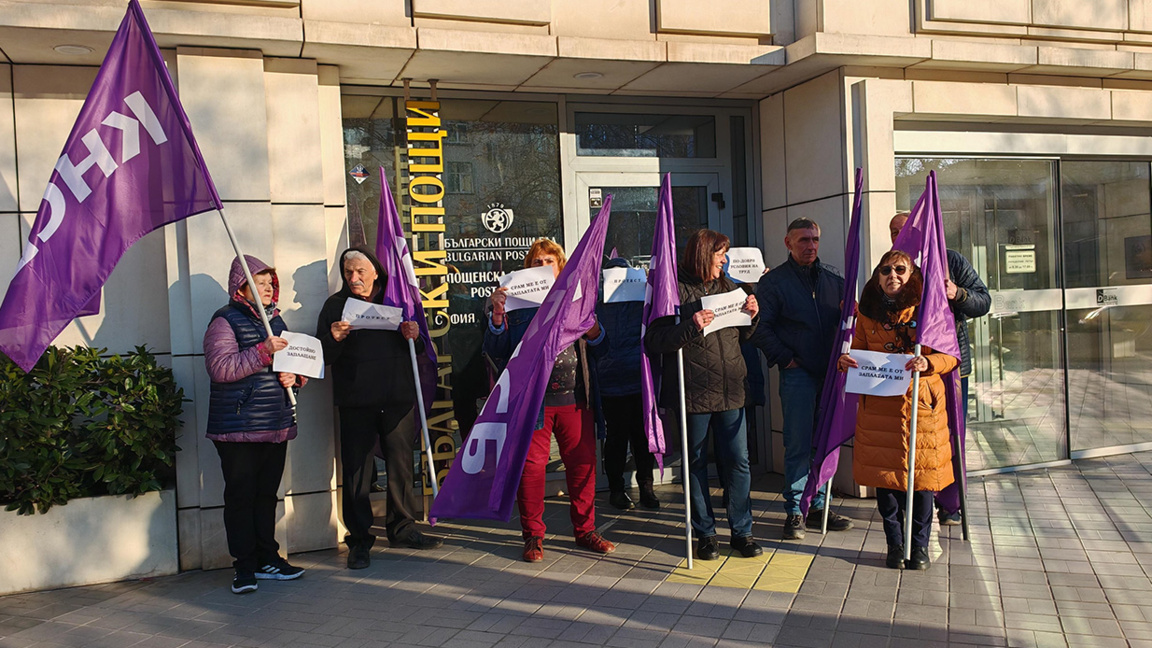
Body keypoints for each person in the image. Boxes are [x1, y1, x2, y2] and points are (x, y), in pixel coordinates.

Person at [484, 238, 616, 562]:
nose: (543, 266)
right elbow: (495, 352)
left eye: (549, 261)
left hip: (576, 398)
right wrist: (498, 317)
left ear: (560, 267)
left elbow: (602, 349)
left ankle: (585, 531)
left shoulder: (578, 300)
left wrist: (593, 327)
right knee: (530, 469)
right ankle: (533, 537)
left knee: (582, 466)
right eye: (537, 262)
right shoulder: (515, 303)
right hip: (534, 403)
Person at [317, 247, 442, 571]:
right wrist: (333, 337)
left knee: (401, 467)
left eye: (360, 271)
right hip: (356, 402)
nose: (354, 278)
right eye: (348, 273)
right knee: (357, 472)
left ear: (376, 271)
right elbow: (323, 357)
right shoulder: (335, 306)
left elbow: (421, 348)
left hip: (397, 400)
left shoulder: (397, 301)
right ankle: (359, 541)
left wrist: (413, 336)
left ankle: (403, 528)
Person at [644, 229, 762, 561]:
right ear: (702, 254)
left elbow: (744, 334)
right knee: (695, 463)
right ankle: (706, 534)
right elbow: (653, 342)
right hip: (692, 392)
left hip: (731, 390)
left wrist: (753, 315)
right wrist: (690, 324)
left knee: (738, 462)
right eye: (719, 254)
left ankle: (742, 531)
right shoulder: (673, 291)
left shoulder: (732, 287)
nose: (724, 260)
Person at [838, 250, 957, 570]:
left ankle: (918, 547)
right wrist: (845, 361)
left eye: (900, 269)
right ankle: (894, 545)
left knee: (921, 484)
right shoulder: (867, 312)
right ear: (877, 276)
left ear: (912, 274)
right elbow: (858, 352)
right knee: (886, 484)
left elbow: (951, 355)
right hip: (879, 410)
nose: (893, 275)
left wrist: (929, 362)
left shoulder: (930, 309)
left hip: (920, 408)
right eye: (886, 270)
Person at [204, 255, 306, 594]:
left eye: (270, 282)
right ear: (241, 287)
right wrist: (263, 351)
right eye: (259, 282)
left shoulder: (278, 322)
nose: (267, 287)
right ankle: (244, 566)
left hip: (275, 424)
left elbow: (291, 367)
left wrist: (296, 377)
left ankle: (267, 559)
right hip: (238, 426)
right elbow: (220, 369)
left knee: (266, 497)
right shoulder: (224, 321)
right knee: (240, 497)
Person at [752, 218, 854, 540]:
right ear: (788, 243)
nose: (810, 246)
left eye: (815, 240)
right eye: (803, 241)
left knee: (823, 443)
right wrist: (786, 359)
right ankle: (796, 510)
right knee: (797, 443)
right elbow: (759, 328)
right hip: (798, 374)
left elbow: (846, 322)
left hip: (831, 373)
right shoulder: (773, 283)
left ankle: (819, 505)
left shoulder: (834, 279)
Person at [889, 212, 990, 525]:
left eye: (905, 230)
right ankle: (916, 501)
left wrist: (956, 293)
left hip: (949, 367)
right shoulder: (892, 268)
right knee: (913, 436)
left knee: (949, 437)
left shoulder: (951, 261)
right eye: (894, 231)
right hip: (908, 367)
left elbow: (984, 301)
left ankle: (950, 504)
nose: (900, 236)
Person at [594, 256, 658, 511]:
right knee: (626, 438)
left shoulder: (638, 299)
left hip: (630, 378)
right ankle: (630, 489)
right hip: (620, 379)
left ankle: (633, 489)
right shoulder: (601, 301)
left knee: (632, 439)